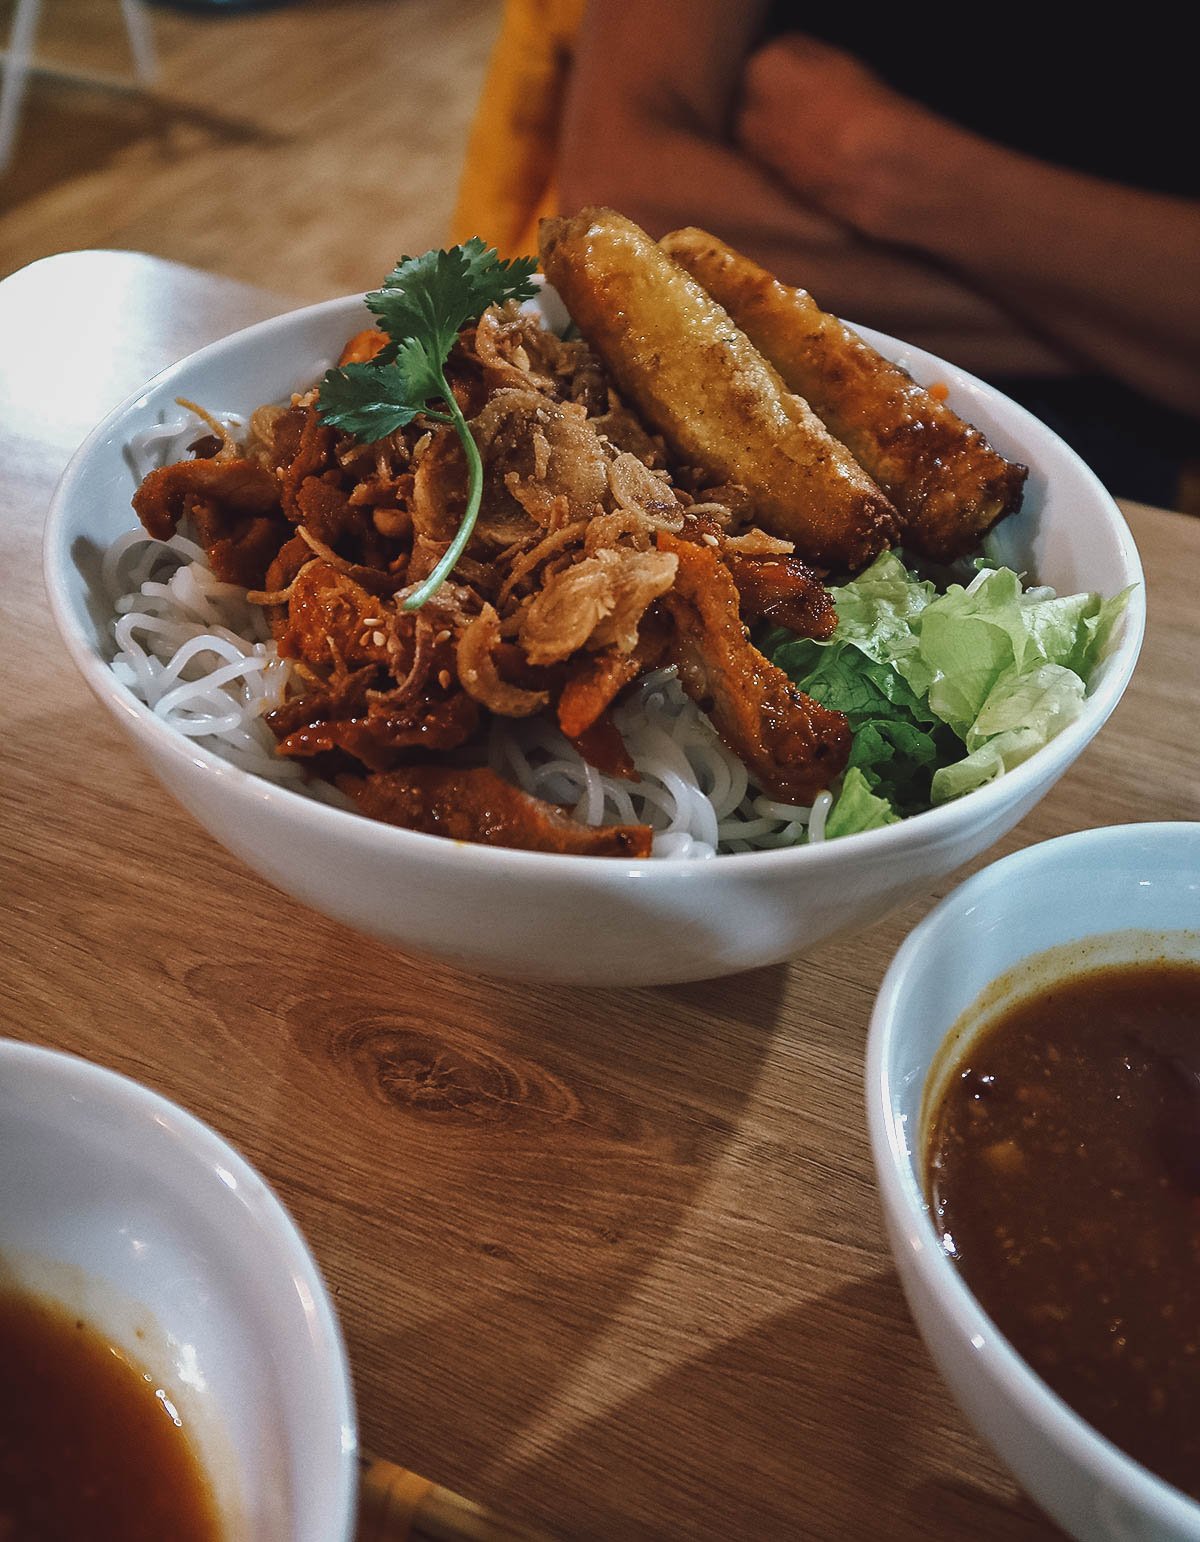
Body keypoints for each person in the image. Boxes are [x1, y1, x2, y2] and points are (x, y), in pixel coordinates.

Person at [455, 1, 1200, 508]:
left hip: (1139, 475)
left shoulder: (882, 164)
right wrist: (1125, 309)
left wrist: (896, 168)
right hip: (697, 389)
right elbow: (625, 211)